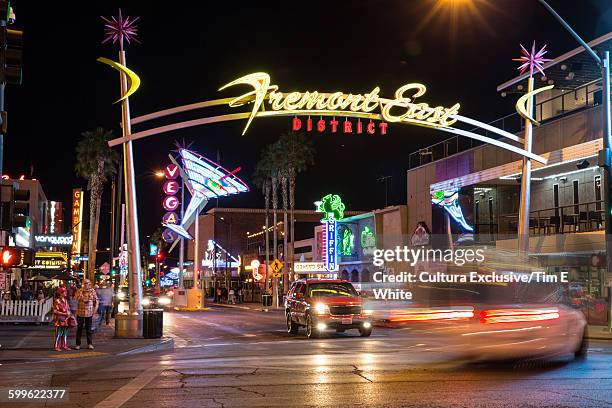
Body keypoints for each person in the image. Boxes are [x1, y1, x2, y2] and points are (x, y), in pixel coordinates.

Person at [74, 279, 98, 350]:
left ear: (90, 284)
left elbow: (96, 301)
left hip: (89, 313)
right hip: (80, 312)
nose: (86, 284)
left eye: (87, 283)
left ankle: (89, 344)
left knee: (89, 329)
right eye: (85, 283)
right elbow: (76, 299)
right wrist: (80, 296)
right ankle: (78, 344)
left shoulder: (92, 291)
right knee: (79, 329)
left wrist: (94, 311)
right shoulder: (79, 291)